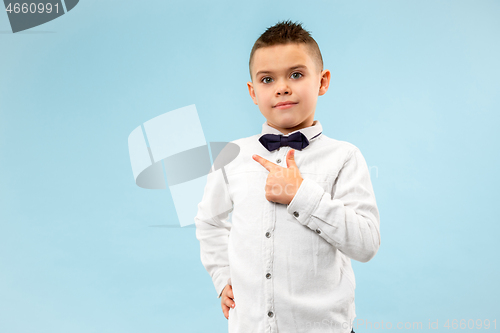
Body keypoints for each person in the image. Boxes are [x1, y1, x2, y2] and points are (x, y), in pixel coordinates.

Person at [194, 19, 380, 333]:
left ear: (322, 82)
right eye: (267, 79)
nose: (282, 87)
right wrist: (222, 275)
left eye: (296, 74)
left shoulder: (345, 157)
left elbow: (366, 243)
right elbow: (209, 220)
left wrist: (301, 195)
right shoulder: (232, 157)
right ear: (253, 92)